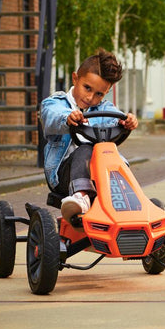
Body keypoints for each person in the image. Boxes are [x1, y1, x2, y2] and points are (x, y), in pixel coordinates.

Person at [40, 48, 138, 223]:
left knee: (112, 156)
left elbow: (116, 118)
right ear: (75, 78)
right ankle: (81, 196)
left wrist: (126, 122)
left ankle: (132, 203)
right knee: (86, 149)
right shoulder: (55, 103)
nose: (90, 97)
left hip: (98, 173)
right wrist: (68, 119)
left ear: (105, 93)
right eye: (87, 88)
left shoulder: (104, 109)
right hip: (63, 175)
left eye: (99, 94)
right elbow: (51, 118)